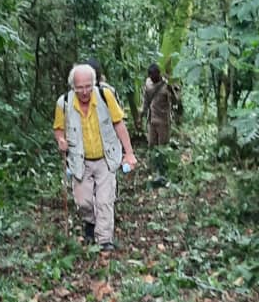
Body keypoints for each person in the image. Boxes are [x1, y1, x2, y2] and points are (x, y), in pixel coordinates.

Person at [54, 63, 137, 252]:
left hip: (105, 158)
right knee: (84, 201)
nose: (84, 91)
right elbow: (58, 129)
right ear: (72, 87)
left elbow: (119, 124)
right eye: (79, 87)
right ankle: (90, 223)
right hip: (79, 160)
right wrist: (60, 140)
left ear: (94, 83)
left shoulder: (105, 96)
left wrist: (129, 153)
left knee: (104, 200)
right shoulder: (64, 103)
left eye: (88, 86)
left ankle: (104, 240)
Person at [141, 63, 177, 180]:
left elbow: (176, 101)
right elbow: (146, 100)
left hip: (163, 121)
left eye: (153, 75)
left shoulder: (166, 86)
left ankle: (163, 172)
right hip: (152, 120)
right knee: (152, 145)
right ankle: (153, 169)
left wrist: (172, 91)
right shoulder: (148, 84)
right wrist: (142, 113)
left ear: (158, 74)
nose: (152, 77)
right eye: (150, 76)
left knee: (163, 147)